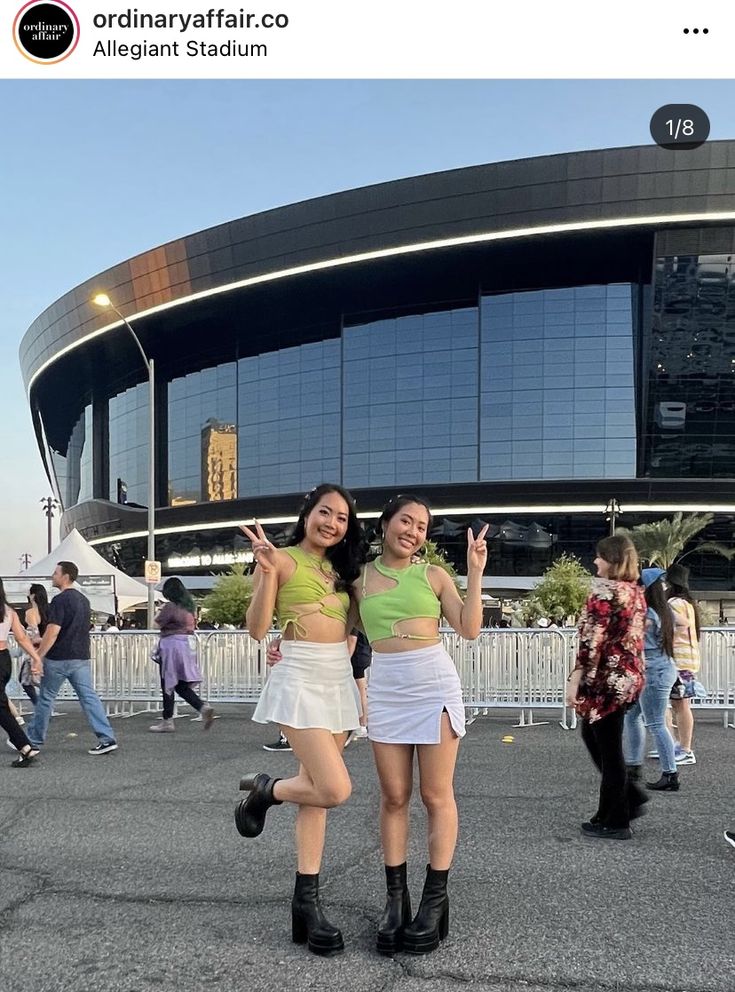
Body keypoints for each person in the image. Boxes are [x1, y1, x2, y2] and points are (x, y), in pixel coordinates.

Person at [235, 484, 367, 957]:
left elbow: (356, 631)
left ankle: (305, 904)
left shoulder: (345, 570)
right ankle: (267, 791)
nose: (332, 523)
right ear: (307, 513)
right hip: (299, 678)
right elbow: (256, 628)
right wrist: (267, 574)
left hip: (337, 680)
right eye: (324, 513)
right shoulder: (281, 558)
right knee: (335, 788)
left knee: (317, 797)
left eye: (342, 518)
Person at [355, 495, 487, 956]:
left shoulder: (433, 575)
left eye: (421, 526)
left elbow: (469, 629)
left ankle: (434, 901)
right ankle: (396, 900)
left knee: (436, 795)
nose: (412, 531)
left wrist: (474, 571)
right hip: (387, 687)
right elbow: (339, 633)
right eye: (405, 521)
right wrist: (284, 646)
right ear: (386, 524)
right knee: (393, 796)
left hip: (432, 683)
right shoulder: (359, 580)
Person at [566, 534, 646, 841]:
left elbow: (591, 642)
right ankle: (618, 805)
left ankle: (618, 818)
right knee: (600, 740)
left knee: (608, 750)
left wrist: (575, 679)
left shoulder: (602, 592)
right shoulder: (635, 593)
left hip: (604, 680)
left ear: (612, 560)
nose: (595, 561)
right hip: (627, 679)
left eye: (600, 556)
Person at [24, 561, 119, 756]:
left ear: (65, 576)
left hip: (58, 657)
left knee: (45, 698)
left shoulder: (59, 601)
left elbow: (53, 632)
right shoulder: (83, 600)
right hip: (80, 656)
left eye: (56, 573)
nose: (53, 576)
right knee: (89, 697)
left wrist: (38, 656)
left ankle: (33, 740)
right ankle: (106, 737)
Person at [623, 568, 680, 794]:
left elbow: (634, 643)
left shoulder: (646, 614)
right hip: (661, 670)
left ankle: (670, 774)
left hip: (652, 673)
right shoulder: (665, 611)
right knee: (632, 715)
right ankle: (633, 765)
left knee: (656, 723)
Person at [149, 578, 214, 733]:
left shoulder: (170, 607)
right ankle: (201, 706)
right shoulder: (190, 607)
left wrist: (159, 609)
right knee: (180, 684)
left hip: (171, 646)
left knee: (168, 682)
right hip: (186, 645)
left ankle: (168, 720)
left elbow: (154, 624)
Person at [0, 579, 43, 767]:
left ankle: (25, 746)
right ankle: (25, 746)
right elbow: (22, 638)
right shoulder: (8, 611)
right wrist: (36, 657)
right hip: (4, 658)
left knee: (1, 708)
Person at [666, 563, 701, 766]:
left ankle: (684, 749)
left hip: (678, 660)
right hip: (689, 659)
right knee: (681, 704)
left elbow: (676, 628)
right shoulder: (689, 603)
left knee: (680, 705)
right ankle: (679, 746)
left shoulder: (672, 603)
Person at [19, 583, 50, 707]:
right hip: (47, 650)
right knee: (42, 681)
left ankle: (40, 706)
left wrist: (23, 635)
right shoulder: (49, 610)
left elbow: (34, 635)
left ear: (33, 596)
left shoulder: (30, 613)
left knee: (25, 680)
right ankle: (45, 705)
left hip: (34, 652)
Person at [346, 629, 371, 741]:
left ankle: (362, 724)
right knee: (362, 689)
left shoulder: (353, 622)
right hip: (363, 653)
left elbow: (352, 639)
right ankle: (362, 724)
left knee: (359, 690)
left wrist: (345, 660)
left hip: (356, 656)